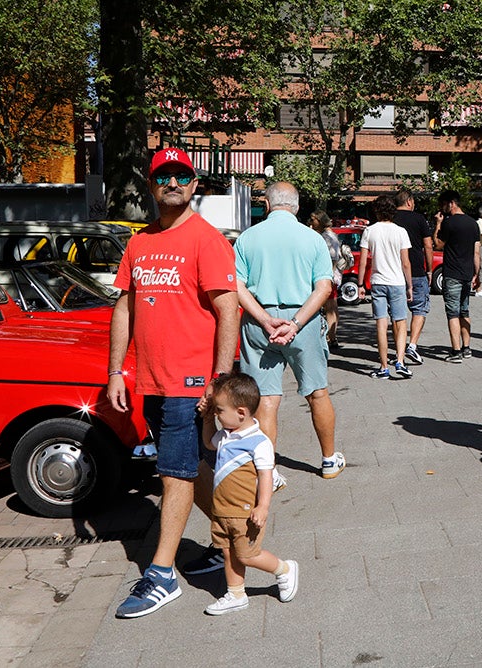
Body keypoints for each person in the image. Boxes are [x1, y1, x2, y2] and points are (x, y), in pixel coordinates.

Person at [108, 147, 240, 619]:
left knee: (174, 471)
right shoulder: (138, 243)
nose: (173, 183)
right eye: (163, 176)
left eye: (182, 176)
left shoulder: (207, 240)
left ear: (194, 185)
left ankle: (161, 573)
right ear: (151, 185)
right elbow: (124, 308)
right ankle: (234, 535)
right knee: (186, 467)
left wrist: (218, 380)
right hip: (150, 380)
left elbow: (228, 310)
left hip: (191, 379)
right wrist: (115, 371)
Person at [230, 182, 346, 486]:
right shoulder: (313, 239)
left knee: (266, 399)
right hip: (302, 319)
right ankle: (329, 459)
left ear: (267, 205)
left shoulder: (247, 238)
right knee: (317, 391)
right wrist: (294, 323)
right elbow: (323, 287)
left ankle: (269, 470)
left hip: (259, 320)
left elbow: (237, 286)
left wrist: (266, 319)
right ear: (296, 207)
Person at [195, 373, 298, 615]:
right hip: (221, 510)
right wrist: (208, 418)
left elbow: (265, 476)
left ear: (241, 413)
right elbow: (209, 442)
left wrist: (262, 507)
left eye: (220, 410)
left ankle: (284, 569)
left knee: (248, 555)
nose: (218, 414)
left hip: (245, 512)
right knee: (229, 552)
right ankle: (236, 593)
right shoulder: (227, 433)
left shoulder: (258, 443)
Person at [357, 194, 414, 379]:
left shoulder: (369, 231)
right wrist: (410, 285)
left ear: (376, 211)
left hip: (378, 282)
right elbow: (406, 262)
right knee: (400, 322)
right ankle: (400, 361)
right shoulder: (400, 232)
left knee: (381, 324)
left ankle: (383, 367)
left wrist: (360, 284)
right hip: (397, 282)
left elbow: (364, 261)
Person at [433, 190, 482, 362]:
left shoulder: (449, 223)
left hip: (452, 273)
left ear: (451, 203)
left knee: (452, 313)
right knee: (464, 310)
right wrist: (478, 274)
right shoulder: (473, 223)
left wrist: (438, 224)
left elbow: (438, 245)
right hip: (467, 273)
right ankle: (467, 348)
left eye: (443, 205)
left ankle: (455, 352)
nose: (442, 208)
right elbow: (477, 252)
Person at [394, 190, 434, 366]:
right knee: (419, 309)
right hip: (417, 269)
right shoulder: (419, 219)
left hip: (393, 273)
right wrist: (430, 269)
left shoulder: (389, 219)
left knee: (397, 312)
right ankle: (412, 344)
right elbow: (428, 245)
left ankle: (399, 348)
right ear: (409, 202)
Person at [308, 210, 345, 351]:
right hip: (332, 276)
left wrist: (326, 275)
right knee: (332, 307)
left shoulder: (326, 237)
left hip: (327, 276)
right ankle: (332, 336)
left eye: (313, 219)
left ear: (320, 220)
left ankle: (331, 337)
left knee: (329, 308)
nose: (311, 222)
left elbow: (331, 258)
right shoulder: (330, 235)